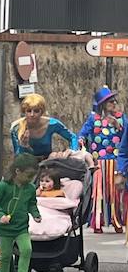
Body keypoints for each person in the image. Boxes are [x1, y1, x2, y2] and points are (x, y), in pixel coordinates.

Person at [0, 154, 42, 272]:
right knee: (5, 255)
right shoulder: (3, 186)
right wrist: (0, 215)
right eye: (28, 175)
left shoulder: (29, 188)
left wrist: (35, 214)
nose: (31, 180)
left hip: (21, 227)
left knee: (27, 249)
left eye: (33, 176)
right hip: (5, 228)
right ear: (17, 171)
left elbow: (31, 203)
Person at [81, 86, 123, 233]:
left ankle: (115, 219)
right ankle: (97, 221)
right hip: (99, 161)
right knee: (98, 193)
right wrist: (81, 143)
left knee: (115, 193)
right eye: (110, 101)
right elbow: (83, 134)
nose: (114, 103)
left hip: (116, 160)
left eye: (115, 101)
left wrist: (119, 126)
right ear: (103, 104)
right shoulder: (93, 118)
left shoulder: (121, 118)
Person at [10, 93, 79, 160]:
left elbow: (73, 137)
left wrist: (72, 151)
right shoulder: (17, 128)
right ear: (24, 112)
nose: (32, 114)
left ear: (42, 112)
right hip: (28, 165)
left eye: (36, 111)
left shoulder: (52, 124)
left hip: (48, 162)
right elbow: (18, 157)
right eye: (29, 111)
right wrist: (24, 146)